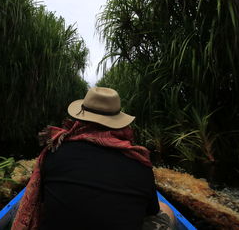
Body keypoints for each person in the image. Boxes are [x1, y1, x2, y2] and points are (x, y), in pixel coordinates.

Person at [12, 87, 175, 230]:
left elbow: (41, 200)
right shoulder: (141, 163)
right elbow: (151, 211)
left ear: (79, 119)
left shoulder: (54, 151)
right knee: (166, 210)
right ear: (118, 122)